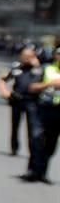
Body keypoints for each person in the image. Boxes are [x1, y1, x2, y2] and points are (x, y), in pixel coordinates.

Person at [0, 46, 43, 158]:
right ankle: (14, 148)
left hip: (32, 101)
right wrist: (5, 91)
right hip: (16, 99)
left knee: (32, 127)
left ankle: (33, 151)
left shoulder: (39, 69)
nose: (26, 59)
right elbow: (3, 80)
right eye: (24, 56)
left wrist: (36, 65)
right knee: (15, 125)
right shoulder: (16, 67)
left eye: (28, 57)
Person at [24, 46, 60, 183]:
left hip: (58, 112)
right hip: (43, 109)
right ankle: (32, 170)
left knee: (51, 144)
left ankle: (42, 173)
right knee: (36, 139)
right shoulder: (46, 69)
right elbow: (32, 87)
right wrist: (50, 84)